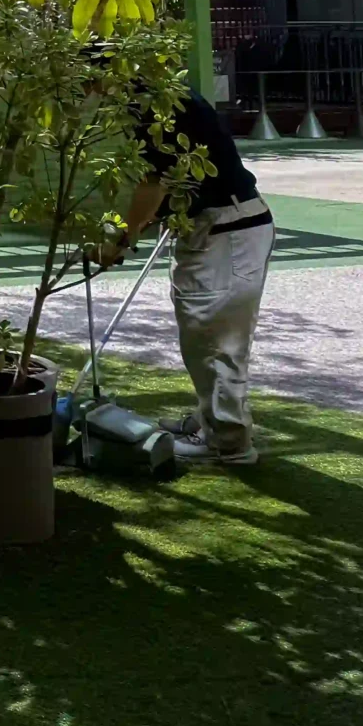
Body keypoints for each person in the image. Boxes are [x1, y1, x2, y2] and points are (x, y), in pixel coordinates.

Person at [115, 90, 274, 467]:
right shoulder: (156, 98)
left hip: (226, 231)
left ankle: (228, 443)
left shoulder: (157, 104)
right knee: (203, 337)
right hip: (214, 228)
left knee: (217, 342)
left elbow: (153, 183)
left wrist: (123, 238)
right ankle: (212, 424)